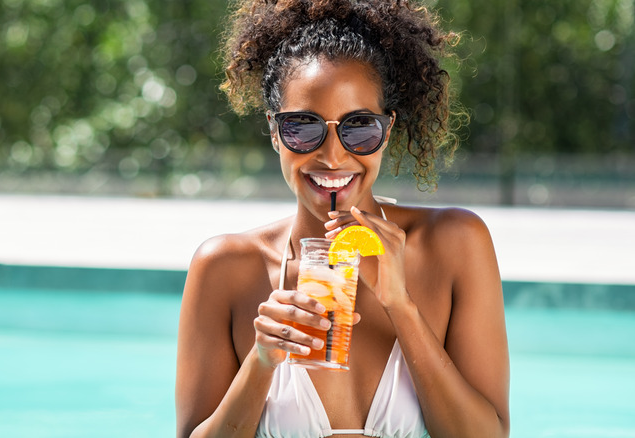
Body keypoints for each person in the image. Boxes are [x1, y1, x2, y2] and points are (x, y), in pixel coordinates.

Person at [176, 0, 510, 437]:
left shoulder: (454, 243)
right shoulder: (225, 268)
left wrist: (400, 305)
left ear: (386, 131)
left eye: (359, 127)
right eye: (303, 127)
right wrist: (261, 362)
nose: (333, 156)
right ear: (276, 133)